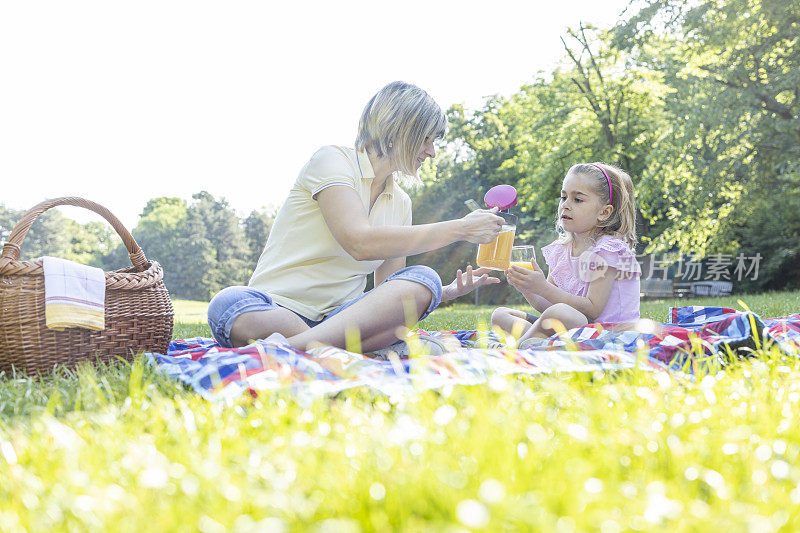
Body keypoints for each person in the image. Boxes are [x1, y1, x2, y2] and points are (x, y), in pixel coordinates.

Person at [208, 81, 504, 353]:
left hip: (343, 318)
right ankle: (347, 349)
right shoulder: (333, 161)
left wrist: (446, 290)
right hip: (276, 311)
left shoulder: (400, 202)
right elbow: (358, 242)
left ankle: (293, 349)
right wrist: (462, 228)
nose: (432, 152)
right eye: (426, 139)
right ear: (398, 129)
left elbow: (390, 288)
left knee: (424, 278)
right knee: (229, 303)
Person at [491, 162, 641, 347]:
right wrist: (529, 288)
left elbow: (593, 309)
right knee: (500, 315)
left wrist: (542, 287)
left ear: (604, 212)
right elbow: (547, 306)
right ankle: (535, 343)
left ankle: (514, 350)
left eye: (577, 200)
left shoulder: (607, 249)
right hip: (574, 328)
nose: (566, 205)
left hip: (607, 332)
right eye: (563, 197)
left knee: (561, 313)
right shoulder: (561, 250)